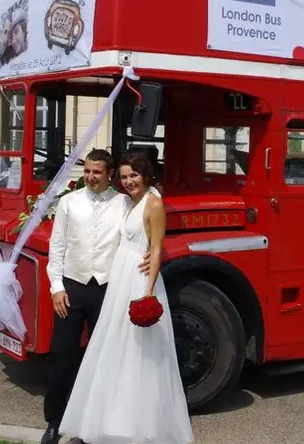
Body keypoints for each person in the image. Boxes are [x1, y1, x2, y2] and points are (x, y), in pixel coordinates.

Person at [58, 151, 193, 444]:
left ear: (145, 175)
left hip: (136, 281)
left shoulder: (153, 204)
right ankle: (110, 418)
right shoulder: (130, 203)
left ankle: (138, 426)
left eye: (134, 175)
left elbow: (156, 248)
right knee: (114, 349)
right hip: (119, 278)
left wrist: (147, 291)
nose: (129, 181)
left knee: (137, 353)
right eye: (124, 176)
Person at [41, 148, 151, 444]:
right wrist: (56, 287)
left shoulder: (124, 203)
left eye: (97, 172)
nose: (90, 177)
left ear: (109, 174)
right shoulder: (68, 203)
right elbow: (57, 247)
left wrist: (152, 253)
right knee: (62, 354)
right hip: (72, 288)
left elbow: (142, 228)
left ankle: (96, 424)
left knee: (103, 359)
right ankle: (54, 421)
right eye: (87, 171)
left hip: (108, 288)